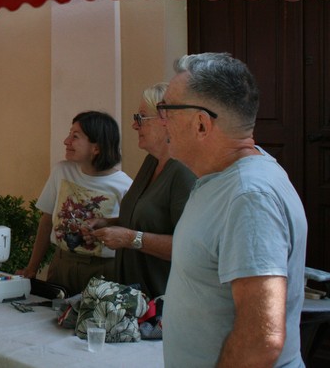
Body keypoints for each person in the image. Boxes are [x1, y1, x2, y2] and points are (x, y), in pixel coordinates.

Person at [161, 53, 307, 367]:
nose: (162, 121)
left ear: (201, 124)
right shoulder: (222, 179)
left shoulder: (248, 197)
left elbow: (260, 340)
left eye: (167, 109)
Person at [85, 83, 196, 299]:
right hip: (132, 296)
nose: (134, 125)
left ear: (166, 120)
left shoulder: (184, 172)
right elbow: (146, 219)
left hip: (161, 300)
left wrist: (129, 238)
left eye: (141, 117)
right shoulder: (151, 162)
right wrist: (108, 223)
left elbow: (188, 247)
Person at [17, 111, 132, 296]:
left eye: (75, 136)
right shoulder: (61, 171)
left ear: (96, 147)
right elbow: (46, 221)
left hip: (103, 272)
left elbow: (129, 231)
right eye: (69, 134)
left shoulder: (124, 186)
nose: (66, 141)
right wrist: (32, 267)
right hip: (62, 265)